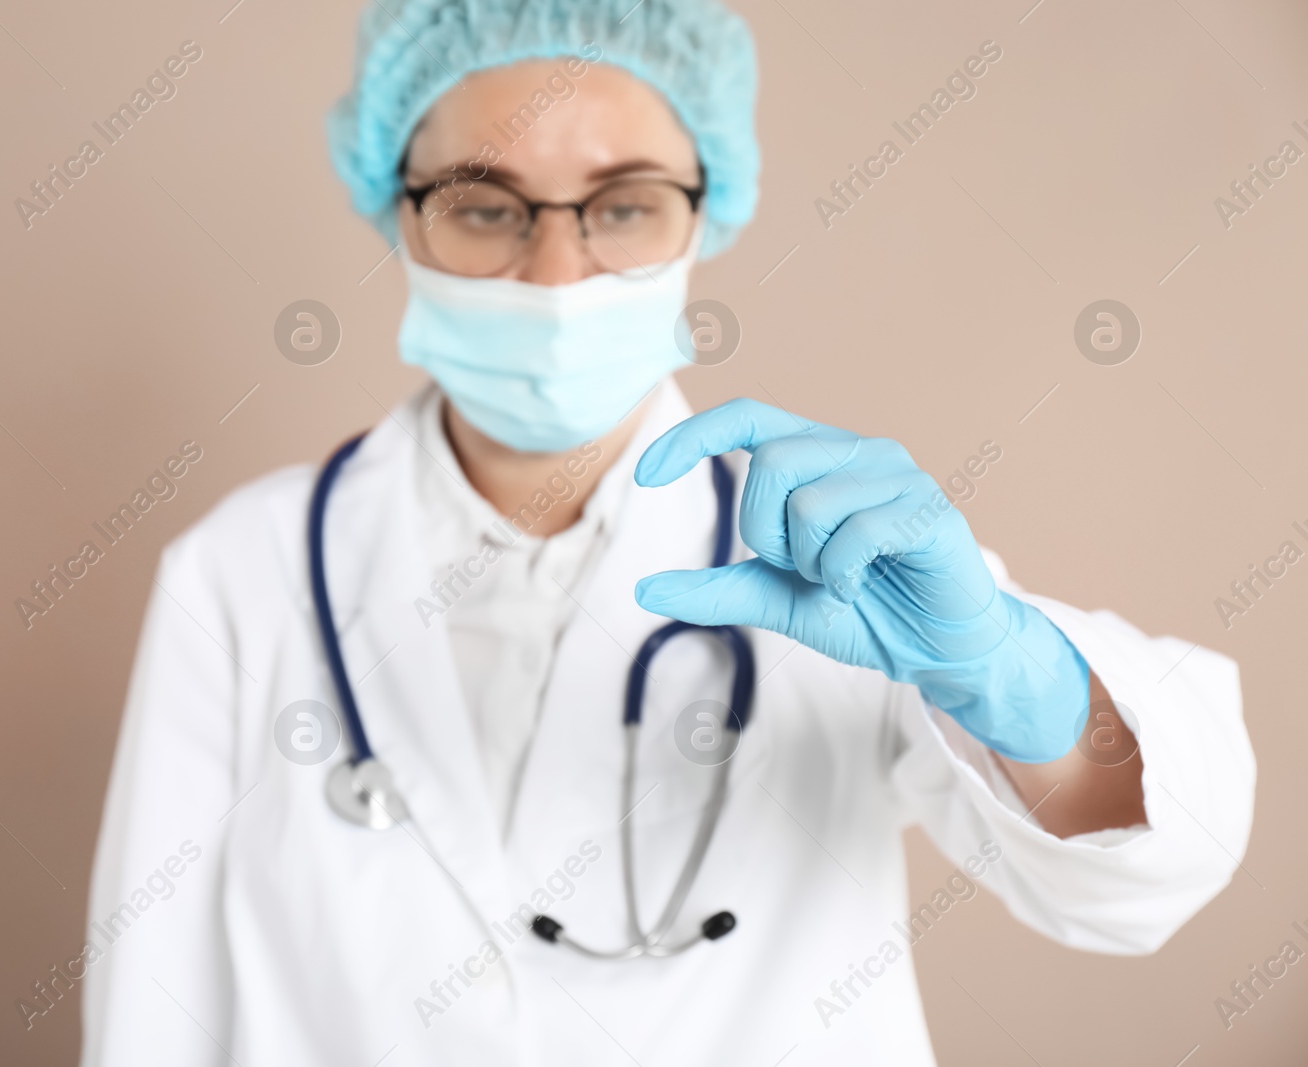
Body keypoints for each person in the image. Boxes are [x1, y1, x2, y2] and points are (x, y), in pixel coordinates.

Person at [81, 1, 1255, 1063]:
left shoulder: (832, 554)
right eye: (484, 206)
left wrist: (1003, 671)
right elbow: (154, 1000)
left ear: (705, 215)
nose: (555, 269)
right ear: (396, 207)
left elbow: (1138, 879)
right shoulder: (240, 573)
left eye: (624, 204)